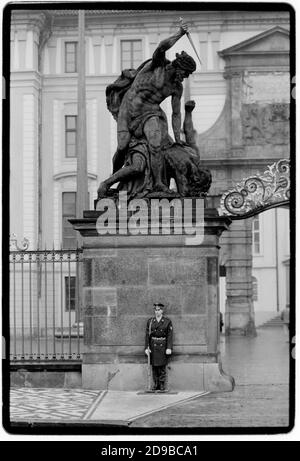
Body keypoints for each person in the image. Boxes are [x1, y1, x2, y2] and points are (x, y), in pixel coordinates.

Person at [97, 23, 197, 197]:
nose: (185, 77)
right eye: (185, 73)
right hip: (129, 110)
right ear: (178, 66)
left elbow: (176, 113)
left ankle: (158, 183)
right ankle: (113, 179)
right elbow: (161, 47)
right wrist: (179, 34)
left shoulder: (176, 88)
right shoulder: (158, 66)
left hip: (151, 113)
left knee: (156, 143)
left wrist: (178, 138)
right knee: (122, 147)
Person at [145, 303, 173, 392]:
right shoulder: (150, 321)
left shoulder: (167, 321)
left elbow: (170, 335)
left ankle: (161, 384)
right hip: (153, 345)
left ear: (162, 311)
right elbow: (147, 336)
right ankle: (155, 384)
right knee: (154, 366)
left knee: (161, 366)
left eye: (158, 310)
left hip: (162, 345)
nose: (157, 312)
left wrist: (169, 347)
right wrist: (146, 347)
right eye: (155, 310)